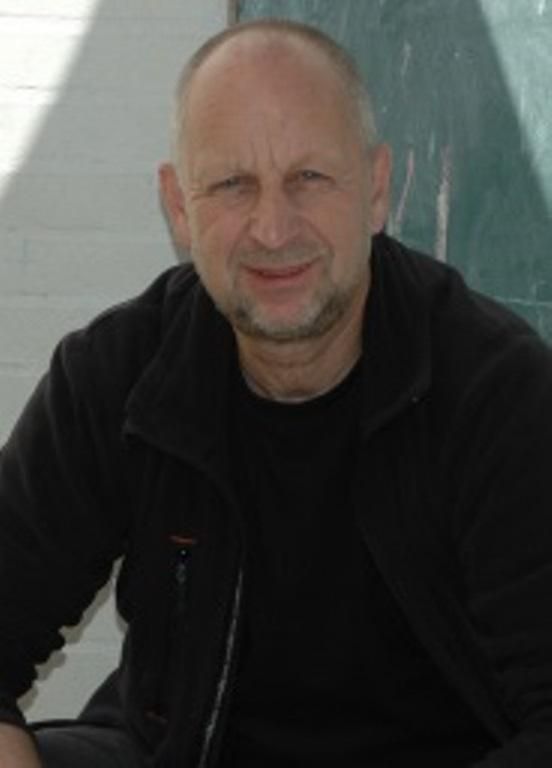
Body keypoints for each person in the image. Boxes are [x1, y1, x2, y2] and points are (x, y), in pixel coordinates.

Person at [1, 17, 552, 768]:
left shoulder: (495, 391)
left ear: (377, 188)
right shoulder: (119, 375)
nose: (272, 228)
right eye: (233, 185)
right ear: (180, 207)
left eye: (310, 178)